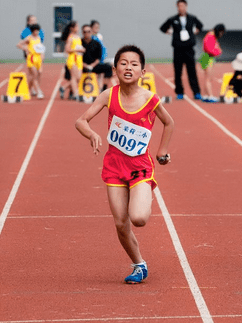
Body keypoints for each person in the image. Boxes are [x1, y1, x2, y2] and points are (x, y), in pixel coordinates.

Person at [75, 45, 175, 284]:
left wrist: (162, 151)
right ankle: (139, 264)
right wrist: (91, 134)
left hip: (140, 166)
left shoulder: (150, 99)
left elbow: (169, 122)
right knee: (121, 223)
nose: (128, 67)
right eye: (123, 63)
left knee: (138, 218)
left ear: (142, 71)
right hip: (114, 166)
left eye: (134, 64)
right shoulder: (109, 95)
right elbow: (81, 120)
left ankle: (141, 196)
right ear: (115, 69)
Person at [160, 0, 203, 100]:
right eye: (179, 6)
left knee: (192, 71)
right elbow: (162, 27)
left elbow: (200, 26)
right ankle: (179, 92)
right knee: (178, 72)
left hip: (189, 49)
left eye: (183, 6)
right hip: (178, 49)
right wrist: (170, 32)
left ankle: (196, 92)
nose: (181, 8)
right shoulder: (173, 19)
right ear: (177, 7)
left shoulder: (192, 18)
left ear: (186, 6)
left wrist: (194, 32)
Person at [81, 24, 113, 92]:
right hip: (82, 66)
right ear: (82, 32)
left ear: (91, 32)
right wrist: (85, 65)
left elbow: (98, 58)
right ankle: (72, 91)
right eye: (85, 32)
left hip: (94, 66)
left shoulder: (96, 43)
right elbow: (77, 58)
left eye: (88, 31)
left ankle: (104, 89)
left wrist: (92, 66)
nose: (87, 33)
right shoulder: (79, 43)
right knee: (71, 69)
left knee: (108, 67)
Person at [17, 23, 45, 99]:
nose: (37, 32)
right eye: (35, 31)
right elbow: (19, 44)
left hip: (38, 59)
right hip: (31, 59)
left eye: (38, 31)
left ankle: (29, 89)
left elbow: (41, 48)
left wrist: (42, 56)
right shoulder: (29, 38)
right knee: (34, 75)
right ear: (33, 31)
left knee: (38, 74)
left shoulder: (38, 38)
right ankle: (38, 91)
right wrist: (26, 49)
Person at [59, 21, 84, 101]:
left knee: (79, 78)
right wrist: (77, 49)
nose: (78, 28)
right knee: (73, 77)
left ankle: (63, 87)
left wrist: (82, 50)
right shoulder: (70, 37)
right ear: (72, 28)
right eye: (76, 26)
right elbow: (67, 49)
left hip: (79, 59)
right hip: (72, 59)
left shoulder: (78, 36)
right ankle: (75, 94)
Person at [200, 23, 225, 103]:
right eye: (221, 32)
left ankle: (206, 95)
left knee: (207, 78)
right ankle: (210, 96)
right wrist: (218, 52)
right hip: (207, 58)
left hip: (207, 58)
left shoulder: (211, 36)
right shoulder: (211, 36)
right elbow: (209, 49)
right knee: (209, 78)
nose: (221, 34)